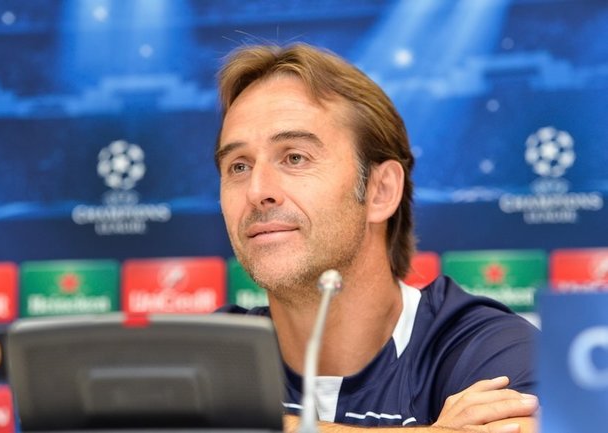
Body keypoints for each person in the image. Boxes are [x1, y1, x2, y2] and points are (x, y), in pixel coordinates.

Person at [214, 43, 539, 433]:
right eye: (238, 166)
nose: (257, 191)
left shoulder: (487, 349)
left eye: (295, 157)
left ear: (381, 191)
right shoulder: (207, 353)